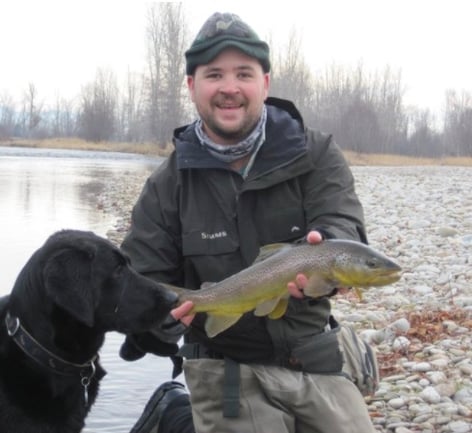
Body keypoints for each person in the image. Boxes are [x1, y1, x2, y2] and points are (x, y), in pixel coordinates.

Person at [120, 11, 376, 433]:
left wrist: (329, 244)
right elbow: (143, 280)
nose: (229, 88)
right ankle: (178, 416)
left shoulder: (316, 154)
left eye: (243, 73)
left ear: (265, 83)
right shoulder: (168, 185)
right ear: (192, 86)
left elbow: (343, 223)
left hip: (313, 356)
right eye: (214, 75)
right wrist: (160, 321)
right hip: (224, 368)